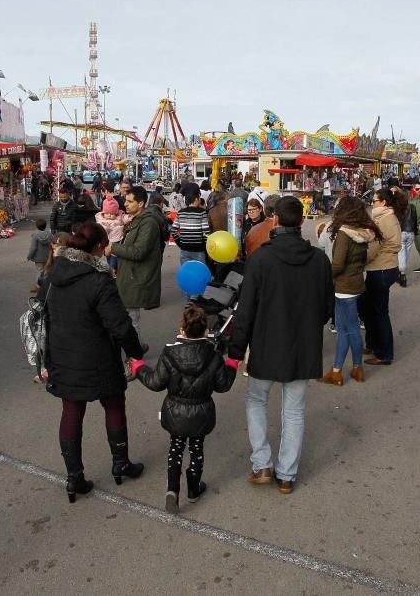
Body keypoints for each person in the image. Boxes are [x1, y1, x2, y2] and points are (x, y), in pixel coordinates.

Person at [227, 196, 333, 494]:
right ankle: (287, 474)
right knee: (294, 409)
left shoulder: (261, 258)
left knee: (256, 399)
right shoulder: (319, 259)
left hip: (265, 342)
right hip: (302, 344)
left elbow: (245, 309)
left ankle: (262, 463)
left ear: (275, 221)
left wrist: (236, 351)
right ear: (302, 221)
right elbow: (327, 308)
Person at [42, 223, 146, 503]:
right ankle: (120, 463)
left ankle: (74, 477)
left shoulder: (53, 274)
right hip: (98, 356)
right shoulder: (99, 279)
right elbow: (120, 325)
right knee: (113, 404)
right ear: (99, 247)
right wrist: (135, 352)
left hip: (63, 354)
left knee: (71, 410)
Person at [131, 306, 238, 513]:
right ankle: (194, 489)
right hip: (201, 412)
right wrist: (232, 365)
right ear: (206, 331)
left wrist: (139, 367)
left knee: (175, 449)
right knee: (197, 449)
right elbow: (223, 385)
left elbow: (155, 382)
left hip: (175, 411)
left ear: (182, 329)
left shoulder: (169, 354)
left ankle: (172, 490)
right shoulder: (214, 356)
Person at [318, 196, 380, 385]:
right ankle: (354, 368)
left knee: (347, 330)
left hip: (342, 286)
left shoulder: (344, 233)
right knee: (350, 329)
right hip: (357, 283)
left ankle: (339, 371)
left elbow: (337, 264)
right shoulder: (362, 232)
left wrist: (325, 277)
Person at [107, 186, 163, 345]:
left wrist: (113, 247)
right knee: (128, 317)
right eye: (125, 200)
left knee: (132, 320)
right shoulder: (135, 220)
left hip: (136, 278)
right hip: (128, 276)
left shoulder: (148, 223)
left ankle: (135, 356)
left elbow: (139, 252)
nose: (125, 204)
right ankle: (135, 349)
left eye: (130, 201)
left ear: (141, 203)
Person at [363, 188, 402, 365]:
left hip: (381, 269)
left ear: (384, 203)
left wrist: (360, 261)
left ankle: (384, 353)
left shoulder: (385, 219)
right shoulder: (383, 218)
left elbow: (374, 247)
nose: (372, 204)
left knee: (379, 312)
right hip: (381, 268)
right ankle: (372, 343)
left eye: (375, 201)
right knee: (369, 309)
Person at [172, 187, 211, 303]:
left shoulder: (181, 213)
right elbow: (206, 233)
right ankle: (195, 302)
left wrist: (181, 243)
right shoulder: (201, 213)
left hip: (184, 251)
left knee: (187, 277)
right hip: (198, 251)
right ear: (196, 199)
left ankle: (187, 304)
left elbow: (173, 231)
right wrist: (205, 246)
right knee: (199, 277)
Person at [96, 198, 128, 274]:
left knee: (113, 260)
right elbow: (100, 230)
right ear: (103, 213)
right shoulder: (101, 220)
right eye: (107, 213)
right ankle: (111, 270)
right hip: (106, 243)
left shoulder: (119, 217)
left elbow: (125, 218)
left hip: (116, 241)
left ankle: (112, 271)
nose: (109, 216)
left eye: (112, 214)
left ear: (116, 213)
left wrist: (129, 218)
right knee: (107, 257)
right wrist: (106, 227)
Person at [393, 186, 416, 288]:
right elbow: (415, 220)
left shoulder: (399, 208)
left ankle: (402, 274)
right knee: (406, 253)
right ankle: (402, 272)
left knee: (402, 253)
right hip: (410, 232)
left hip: (402, 232)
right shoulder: (412, 207)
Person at [243, 194, 279, 258]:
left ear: (260, 209)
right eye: (249, 210)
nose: (251, 212)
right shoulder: (245, 224)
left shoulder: (265, 223)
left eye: (254, 209)